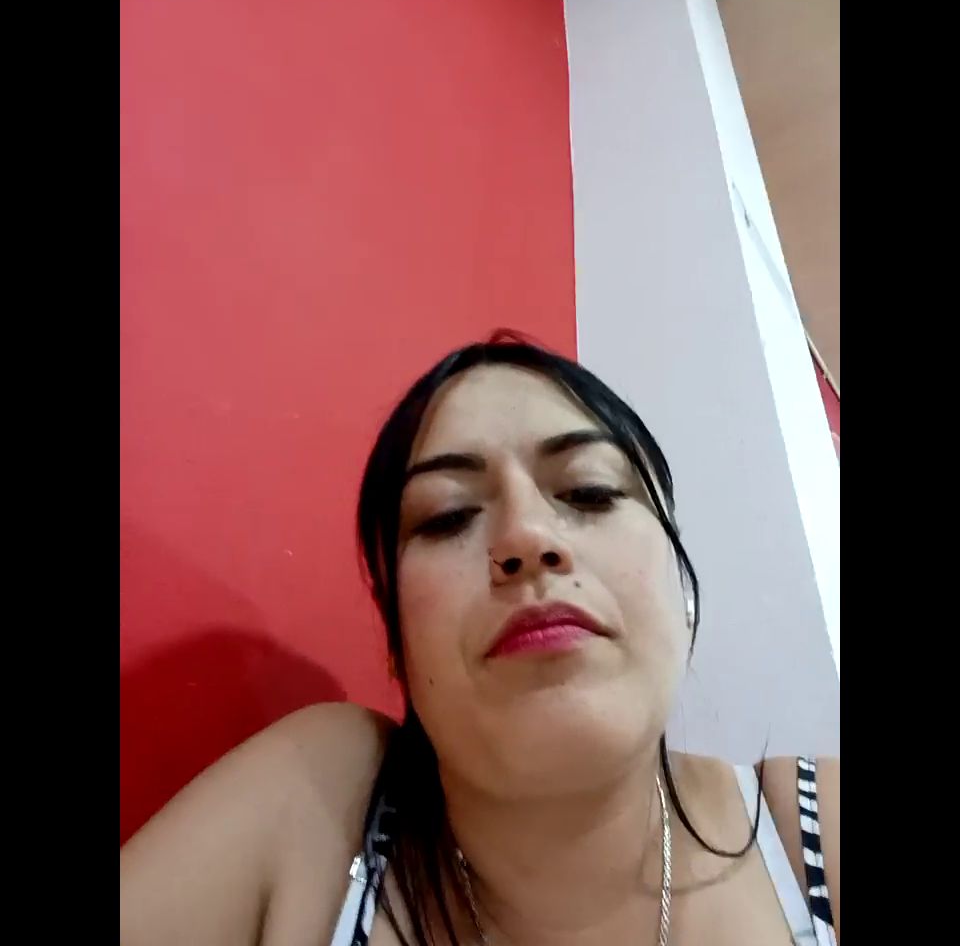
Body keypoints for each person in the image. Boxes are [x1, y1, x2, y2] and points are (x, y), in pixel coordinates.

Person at [120, 333, 839, 946]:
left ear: (682, 589)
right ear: (398, 645)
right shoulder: (320, 805)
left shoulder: (816, 828)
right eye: (447, 516)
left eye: (588, 491)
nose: (525, 536)